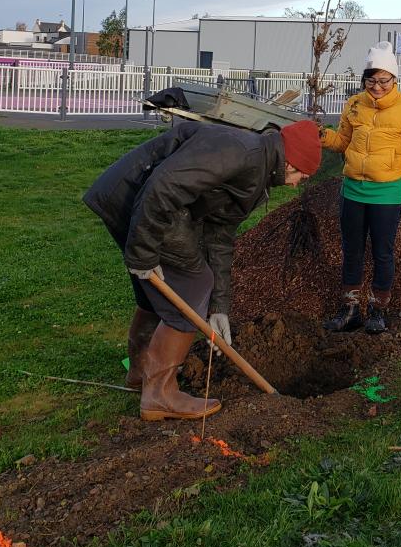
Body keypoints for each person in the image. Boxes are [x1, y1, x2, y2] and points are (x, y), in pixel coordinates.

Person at [83, 117, 321, 421]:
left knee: (165, 285)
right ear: (290, 163)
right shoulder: (239, 153)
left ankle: (140, 371)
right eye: (303, 174)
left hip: (139, 200)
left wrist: (219, 306)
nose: (299, 182)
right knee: (194, 283)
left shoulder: (257, 167)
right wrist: (143, 253)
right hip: (137, 199)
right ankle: (160, 394)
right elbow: (164, 186)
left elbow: (220, 237)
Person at [320, 41, 401, 334]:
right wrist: (323, 137)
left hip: (387, 193)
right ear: (364, 79)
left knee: (382, 252)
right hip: (353, 190)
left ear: (395, 79)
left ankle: (378, 310)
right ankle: (351, 309)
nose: (377, 87)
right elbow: (342, 142)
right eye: (371, 80)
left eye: (383, 81)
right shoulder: (354, 104)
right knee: (352, 250)